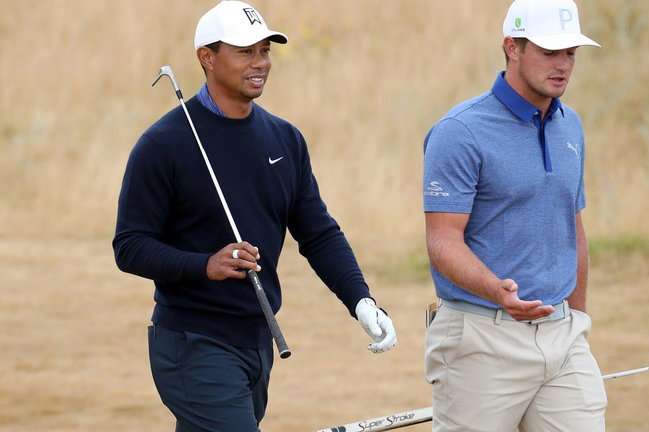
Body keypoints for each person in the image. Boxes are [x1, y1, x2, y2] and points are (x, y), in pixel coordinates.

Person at [113, 1, 396, 430]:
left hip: (256, 340)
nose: (260, 62)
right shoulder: (163, 144)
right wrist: (205, 265)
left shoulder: (285, 138)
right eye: (245, 52)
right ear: (207, 57)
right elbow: (130, 247)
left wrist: (360, 299)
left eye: (264, 50)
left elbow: (317, 233)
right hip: (191, 342)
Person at [422, 0, 606, 430]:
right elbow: (442, 239)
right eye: (549, 51)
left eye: (571, 53)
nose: (563, 64)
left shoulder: (570, 125)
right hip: (482, 336)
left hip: (564, 336)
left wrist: (578, 318)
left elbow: (571, 227)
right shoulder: (459, 131)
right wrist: (495, 289)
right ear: (513, 47)